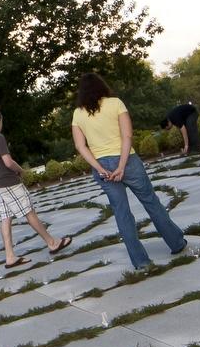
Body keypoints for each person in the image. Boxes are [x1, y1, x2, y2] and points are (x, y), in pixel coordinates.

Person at [71, 72, 191, 271]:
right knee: (151, 202)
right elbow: (127, 136)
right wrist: (121, 166)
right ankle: (177, 243)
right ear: (102, 86)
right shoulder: (115, 103)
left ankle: (141, 262)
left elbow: (80, 146)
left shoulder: (78, 113)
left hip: (102, 166)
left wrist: (100, 169)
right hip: (128, 161)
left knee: (122, 213)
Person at [0, 108, 71, 267]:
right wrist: (21, 170)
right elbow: (8, 162)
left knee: (5, 218)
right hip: (9, 182)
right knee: (30, 212)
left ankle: (10, 256)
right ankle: (52, 242)